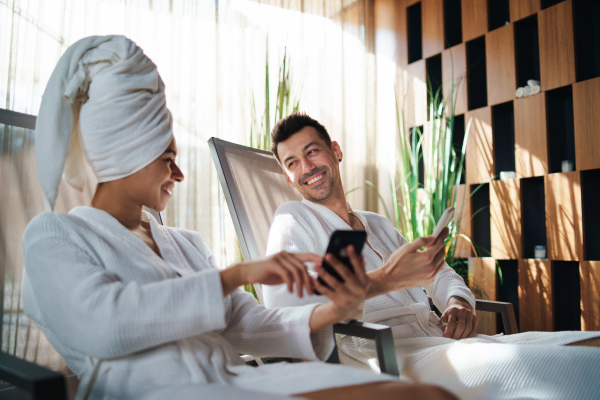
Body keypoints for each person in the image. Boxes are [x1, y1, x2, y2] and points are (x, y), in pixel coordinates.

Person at [21, 36, 456, 400]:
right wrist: (237, 274)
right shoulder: (56, 237)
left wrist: (332, 311)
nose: (179, 173)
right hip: (160, 392)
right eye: (167, 158)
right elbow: (105, 325)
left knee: (427, 396)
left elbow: (246, 323)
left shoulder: (183, 244)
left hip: (236, 380)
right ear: (126, 159)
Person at [263, 112, 600, 400]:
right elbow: (288, 315)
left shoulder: (376, 223)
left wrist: (457, 301)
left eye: (312, 152)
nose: (307, 168)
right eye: (293, 163)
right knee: (580, 368)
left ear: (335, 151)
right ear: (288, 178)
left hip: (438, 341)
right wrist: (382, 281)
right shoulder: (293, 218)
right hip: (388, 357)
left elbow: (436, 272)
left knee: (590, 343)